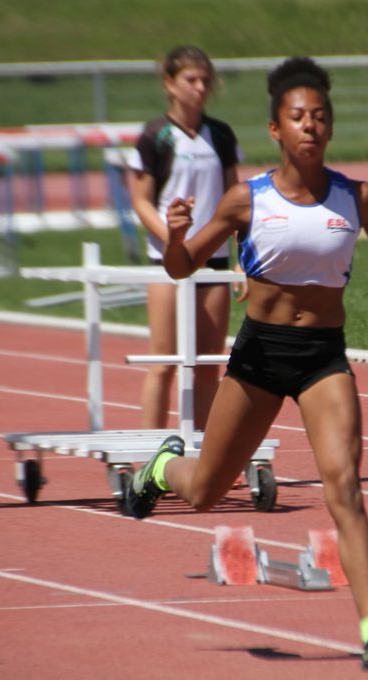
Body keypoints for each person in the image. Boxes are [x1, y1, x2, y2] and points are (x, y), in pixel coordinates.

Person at [125, 57, 368, 674]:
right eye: (298, 117)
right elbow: (181, 266)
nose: (310, 127)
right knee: (207, 493)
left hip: (323, 358)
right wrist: (173, 233)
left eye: (320, 117)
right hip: (261, 356)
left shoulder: (358, 198)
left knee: (344, 487)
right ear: (276, 129)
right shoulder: (249, 199)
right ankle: (164, 467)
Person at [129, 46, 242, 430]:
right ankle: (153, 453)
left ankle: (206, 454)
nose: (200, 87)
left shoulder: (221, 135)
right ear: (170, 84)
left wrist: (243, 257)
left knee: (209, 363)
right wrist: (175, 241)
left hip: (214, 260)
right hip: (165, 259)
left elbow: (235, 200)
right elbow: (142, 202)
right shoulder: (154, 136)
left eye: (205, 80)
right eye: (191, 80)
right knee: (163, 362)